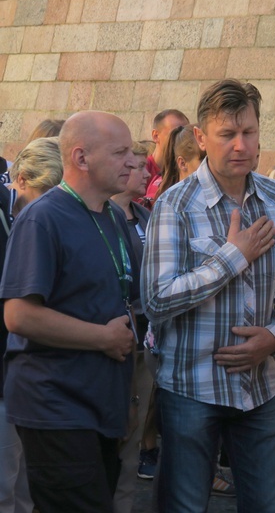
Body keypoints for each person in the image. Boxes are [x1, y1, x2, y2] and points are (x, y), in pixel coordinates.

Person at [141, 79, 275, 513]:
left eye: (249, 131)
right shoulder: (175, 204)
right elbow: (155, 300)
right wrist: (234, 256)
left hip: (261, 387)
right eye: (228, 134)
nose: (241, 145)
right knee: (185, 506)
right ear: (200, 138)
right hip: (193, 389)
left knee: (267, 506)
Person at [0, 111, 139, 512]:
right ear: (81, 158)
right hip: (56, 405)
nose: (134, 162)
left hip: (100, 405)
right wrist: (103, 338)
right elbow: (19, 316)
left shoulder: (113, 215)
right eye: (120, 152)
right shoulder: (42, 218)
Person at [0, 136, 62, 513]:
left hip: (30, 379)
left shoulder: (40, 221)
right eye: (47, 194)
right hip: (6, 378)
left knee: (25, 491)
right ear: (21, 180)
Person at [110, 142, 154, 513]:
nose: (143, 173)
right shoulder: (101, 214)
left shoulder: (145, 216)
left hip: (144, 336)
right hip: (113, 337)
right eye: (138, 167)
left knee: (132, 439)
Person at [143, 109, 189, 194]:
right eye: (175, 134)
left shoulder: (186, 170)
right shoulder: (142, 170)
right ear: (156, 136)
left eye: (184, 135)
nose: (181, 140)